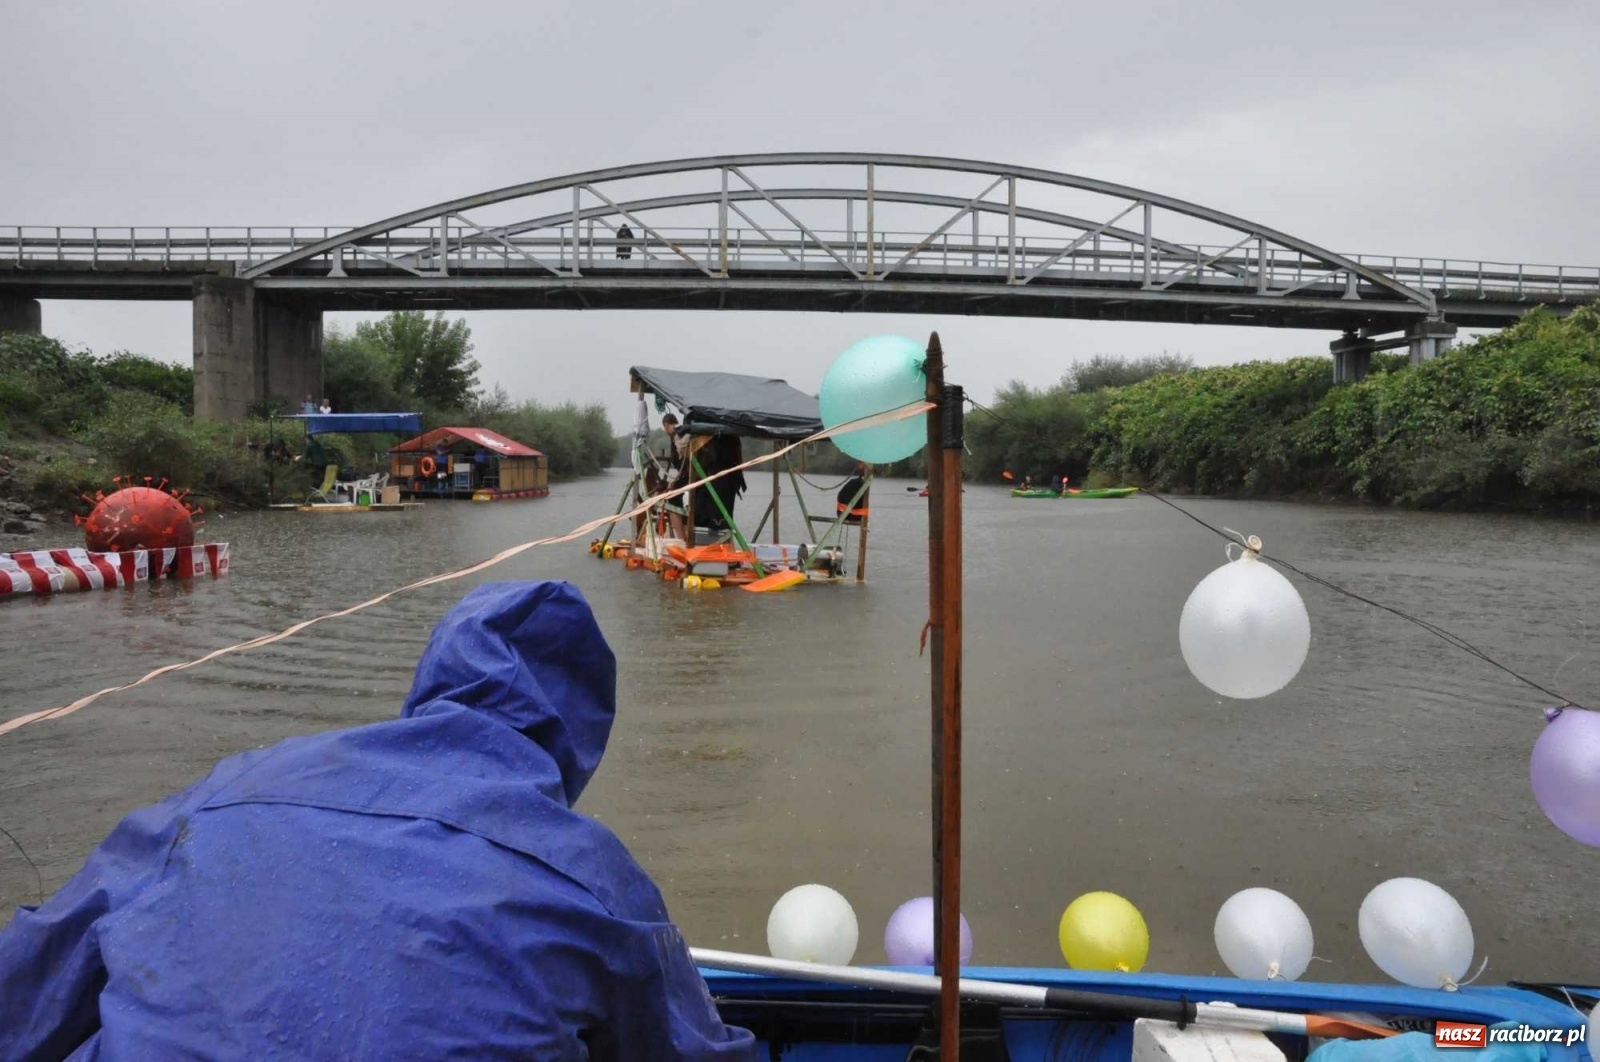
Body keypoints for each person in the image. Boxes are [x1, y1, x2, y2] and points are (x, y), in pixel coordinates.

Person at [0, 582, 759, 1060]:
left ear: (433, 680)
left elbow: (28, 989)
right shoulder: (592, 873)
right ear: (581, 727)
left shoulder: (230, 788)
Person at [660, 414, 689, 540]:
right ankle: (686, 536)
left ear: (666, 425)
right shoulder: (682, 431)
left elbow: (683, 461)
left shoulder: (676, 435)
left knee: (672, 499)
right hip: (688, 475)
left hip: (691, 476)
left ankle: (681, 539)